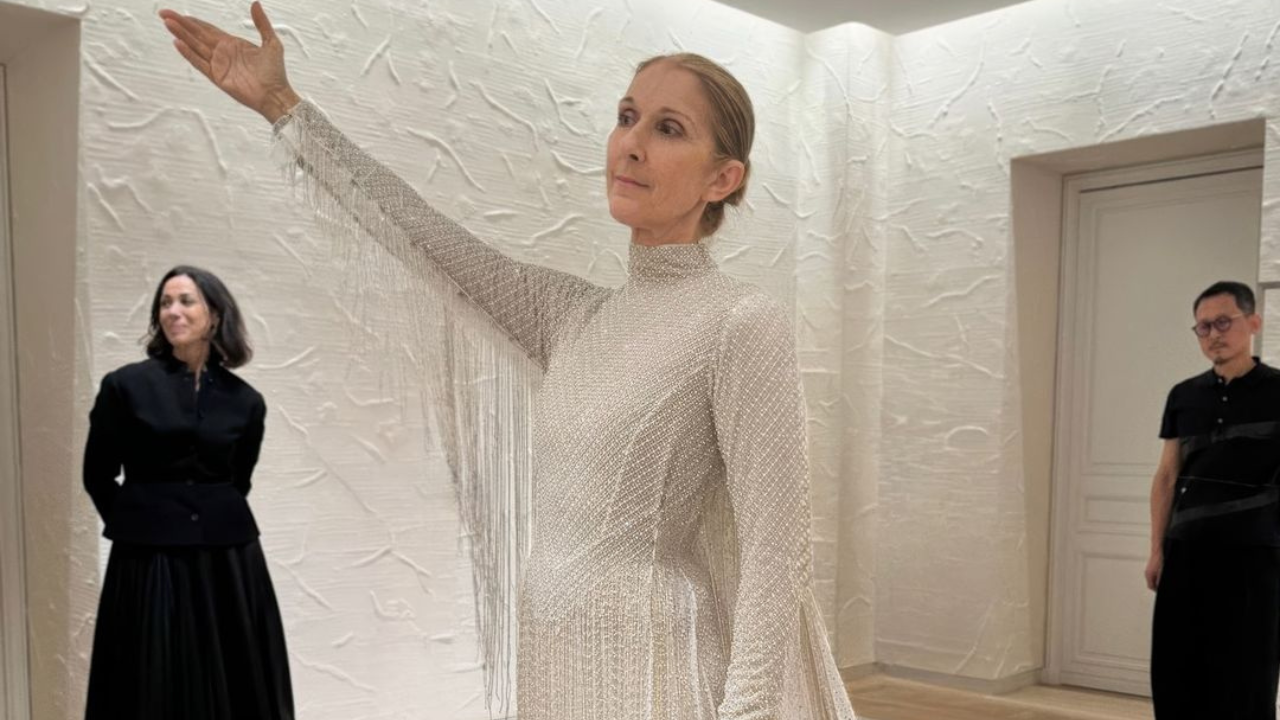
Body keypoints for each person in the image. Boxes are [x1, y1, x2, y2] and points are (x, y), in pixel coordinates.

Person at [159, 4, 857, 718]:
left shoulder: (739, 322)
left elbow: (775, 552)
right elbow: (424, 235)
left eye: (668, 128)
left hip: (661, 672)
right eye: (627, 117)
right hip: (554, 661)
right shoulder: (572, 315)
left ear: (723, 179)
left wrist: (748, 714)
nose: (631, 144)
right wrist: (283, 105)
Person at [83, 265, 293, 720]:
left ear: (215, 315)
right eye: (165, 303)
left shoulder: (246, 401)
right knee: (150, 675)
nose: (173, 311)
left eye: (186, 301)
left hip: (228, 560)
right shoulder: (125, 386)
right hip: (149, 559)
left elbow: (238, 480)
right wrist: (138, 525)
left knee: (234, 674)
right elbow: (97, 474)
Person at [1145, 280, 1280, 720]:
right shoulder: (1183, 396)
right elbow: (1167, 476)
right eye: (1203, 327)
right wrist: (1157, 549)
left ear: (1253, 322)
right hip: (1185, 552)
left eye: (1223, 322)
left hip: (1255, 556)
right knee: (1177, 670)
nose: (1213, 335)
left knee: (1247, 674)